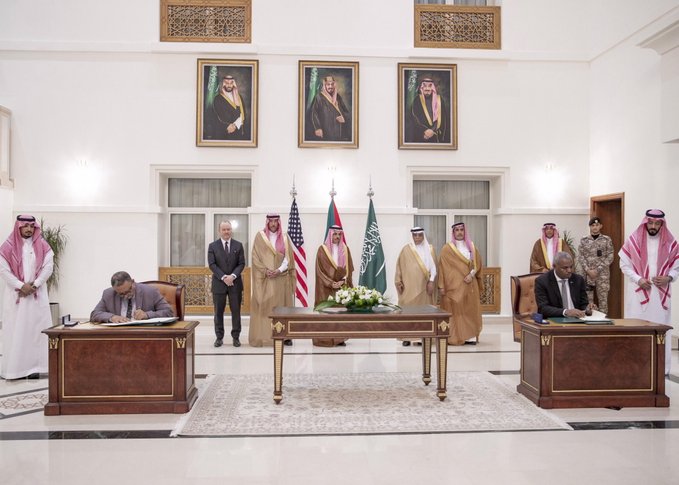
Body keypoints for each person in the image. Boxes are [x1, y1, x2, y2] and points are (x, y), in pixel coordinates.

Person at [619, 209, 678, 375]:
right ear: (645, 222)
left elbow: (676, 267)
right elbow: (624, 265)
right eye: (650, 223)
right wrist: (638, 279)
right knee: (636, 327)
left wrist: (669, 278)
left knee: (661, 329)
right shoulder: (633, 240)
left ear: (662, 224)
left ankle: (661, 368)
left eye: (657, 223)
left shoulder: (671, 243)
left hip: (660, 294)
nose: (653, 226)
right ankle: (633, 367)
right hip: (638, 292)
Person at [0, 215, 53, 380]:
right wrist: (20, 285)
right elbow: (3, 270)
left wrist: (34, 285)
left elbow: (48, 268)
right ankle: (15, 369)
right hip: (17, 296)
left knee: (36, 332)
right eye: (26, 226)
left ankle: (35, 368)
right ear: (19, 227)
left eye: (32, 226)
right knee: (17, 331)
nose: (29, 229)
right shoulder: (7, 247)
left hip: (37, 296)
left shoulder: (43, 245)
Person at [249, 214, 296, 347]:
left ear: (279, 222)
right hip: (266, 279)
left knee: (283, 307)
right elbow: (255, 257)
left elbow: (288, 258)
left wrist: (279, 270)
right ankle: (265, 335)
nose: (273, 224)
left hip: (281, 278)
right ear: (267, 222)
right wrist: (265, 271)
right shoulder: (260, 237)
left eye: (276, 221)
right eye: (271, 221)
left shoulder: (285, 237)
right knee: (266, 307)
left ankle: (285, 337)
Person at [437, 222, 483, 345]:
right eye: (456, 230)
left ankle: (470, 336)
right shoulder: (447, 249)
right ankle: (453, 336)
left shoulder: (471, 246)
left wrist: (471, 275)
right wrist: (441, 285)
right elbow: (441, 267)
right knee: (455, 312)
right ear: (453, 232)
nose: (459, 232)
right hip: (452, 287)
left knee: (469, 310)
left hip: (469, 284)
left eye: (461, 229)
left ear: (464, 231)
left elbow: (477, 264)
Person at [394, 227, 437, 346]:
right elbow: (399, 267)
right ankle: (407, 337)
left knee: (423, 312)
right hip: (408, 288)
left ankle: (422, 337)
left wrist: (431, 281)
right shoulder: (405, 250)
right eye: (415, 235)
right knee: (408, 311)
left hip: (424, 288)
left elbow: (433, 268)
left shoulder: (430, 249)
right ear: (412, 236)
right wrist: (398, 281)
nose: (417, 238)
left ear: (423, 236)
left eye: (420, 235)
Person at [314, 225, 354, 347]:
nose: (337, 237)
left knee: (340, 312)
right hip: (326, 288)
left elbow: (349, 269)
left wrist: (343, 281)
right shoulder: (322, 249)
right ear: (330, 235)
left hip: (341, 287)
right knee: (326, 312)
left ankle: (339, 339)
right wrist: (331, 283)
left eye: (339, 234)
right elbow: (319, 271)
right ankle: (324, 339)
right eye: (335, 234)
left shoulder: (345, 249)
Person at [207, 220, 246, 347]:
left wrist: (232, 276)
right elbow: (212, 264)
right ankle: (219, 337)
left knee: (236, 312)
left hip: (235, 284)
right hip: (219, 284)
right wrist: (224, 277)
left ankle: (236, 337)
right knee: (218, 313)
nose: (226, 232)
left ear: (231, 230)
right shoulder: (212, 246)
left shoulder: (238, 245)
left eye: (228, 229)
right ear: (219, 231)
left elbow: (241, 264)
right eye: (223, 229)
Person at [90, 271, 174, 323]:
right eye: (121, 294)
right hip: (118, 334)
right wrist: (112, 317)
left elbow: (168, 312)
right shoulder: (108, 294)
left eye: (128, 291)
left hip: (144, 334)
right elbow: (95, 314)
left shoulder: (150, 291)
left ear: (133, 282)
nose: (126, 295)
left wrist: (147, 315)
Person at [535, 251, 590, 318]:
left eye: (571, 267)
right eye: (565, 268)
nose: (569, 270)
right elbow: (543, 308)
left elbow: (583, 304)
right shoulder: (543, 281)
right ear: (554, 266)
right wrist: (565, 312)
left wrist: (588, 308)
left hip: (578, 319)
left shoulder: (578, 279)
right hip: (555, 320)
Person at [577, 216, 614, 314]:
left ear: (601, 226)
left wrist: (597, 270)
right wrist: (588, 270)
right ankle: (590, 321)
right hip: (588, 275)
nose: (595, 227)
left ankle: (603, 322)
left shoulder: (606, 239)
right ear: (590, 227)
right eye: (592, 225)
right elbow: (580, 256)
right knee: (588, 302)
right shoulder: (584, 240)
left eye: (597, 225)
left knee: (603, 301)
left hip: (602, 275)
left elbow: (610, 256)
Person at [407, 76, 449, 143]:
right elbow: (414, 118)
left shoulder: (439, 100)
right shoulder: (417, 100)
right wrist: (425, 130)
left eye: (429, 87)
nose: (427, 89)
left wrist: (432, 130)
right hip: (422, 135)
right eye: (425, 88)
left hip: (436, 134)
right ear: (422, 88)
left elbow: (443, 118)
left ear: (432, 88)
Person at [310, 75, 351, 141]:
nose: (330, 86)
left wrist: (344, 118)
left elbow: (345, 111)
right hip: (326, 131)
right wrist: (317, 128)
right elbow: (314, 113)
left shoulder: (338, 96)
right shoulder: (319, 97)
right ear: (324, 86)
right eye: (328, 84)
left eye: (332, 84)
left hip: (340, 131)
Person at [211, 74, 248, 140]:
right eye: (227, 83)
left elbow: (243, 114)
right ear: (223, 84)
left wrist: (235, 125)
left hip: (239, 132)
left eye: (231, 83)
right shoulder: (218, 99)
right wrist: (229, 126)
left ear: (233, 84)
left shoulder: (239, 97)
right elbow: (220, 117)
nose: (229, 85)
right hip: (226, 133)